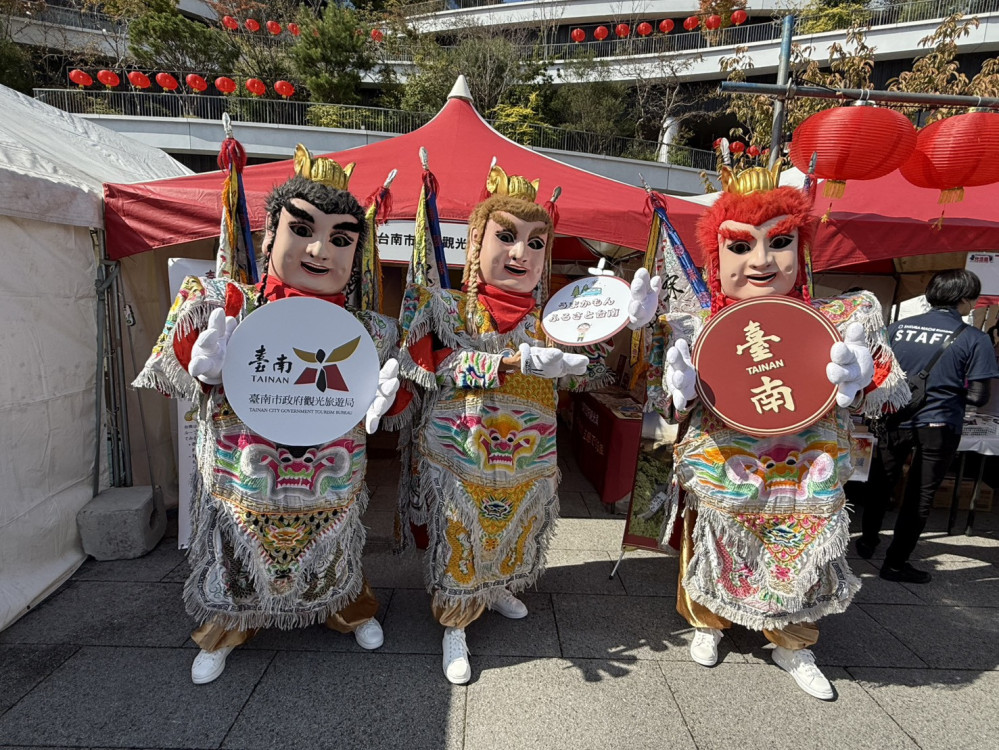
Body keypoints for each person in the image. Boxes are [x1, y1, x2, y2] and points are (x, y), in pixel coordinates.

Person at [134, 146, 401, 684]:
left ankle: (348, 610)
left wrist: (392, 397)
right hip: (247, 478)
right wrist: (201, 362)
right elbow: (175, 364)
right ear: (270, 234)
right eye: (303, 230)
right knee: (235, 550)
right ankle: (227, 629)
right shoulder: (225, 301)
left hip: (329, 479)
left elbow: (400, 399)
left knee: (335, 547)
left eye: (342, 238)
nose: (321, 249)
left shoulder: (371, 331)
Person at [647, 163, 908, 700]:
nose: (762, 261)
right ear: (718, 258)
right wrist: (679, 385)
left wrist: (856, 376)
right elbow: (667, 400)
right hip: (726, 464)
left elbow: (878, 389)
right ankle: (707, 623)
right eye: (741, 247)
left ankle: (793, 641)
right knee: (713, 543)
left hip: (803, 473)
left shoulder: (839, 318)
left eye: (780, 241)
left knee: (802, 551)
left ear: (802, 247)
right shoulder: (697, 324)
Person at [395, 165, 660, 684]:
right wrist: (506, 364)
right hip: (461, 453)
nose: (521, 253)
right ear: (477, 241)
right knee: (460, 534)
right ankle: (455, 623)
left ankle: (495, 589)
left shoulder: (554, 322)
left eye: (536, 242)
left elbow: (587, 380)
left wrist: (633, 328)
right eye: (508, 237)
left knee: (515, 531)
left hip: (528, 456)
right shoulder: (447, 307)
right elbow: (426, 365)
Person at [858, 269, 999, 582]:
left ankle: (867, 542)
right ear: (964, 299)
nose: (973, 304)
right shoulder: (974, 338)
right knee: (920, 494)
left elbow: (874, 376)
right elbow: (978, 396)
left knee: (882, 481)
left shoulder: (896, 328)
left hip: (894, 416)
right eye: (973, 298)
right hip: (939, 423)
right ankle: (895, 564)